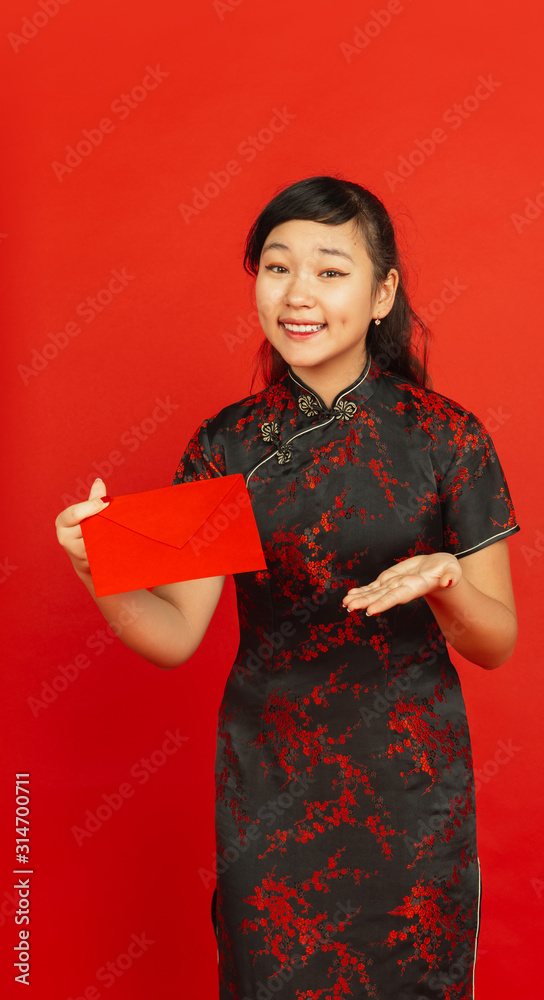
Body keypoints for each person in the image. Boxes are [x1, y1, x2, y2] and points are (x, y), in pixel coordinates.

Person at [56, 175, 520, 1000]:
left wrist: (445, 583)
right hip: (268, 790)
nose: (298, 294)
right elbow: (173, 637)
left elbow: (494, 643)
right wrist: (96, 572)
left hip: (410, 790)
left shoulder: (448, 437)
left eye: (330, 271)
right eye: (277, 268)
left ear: (382, 295)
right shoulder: (226, 446)